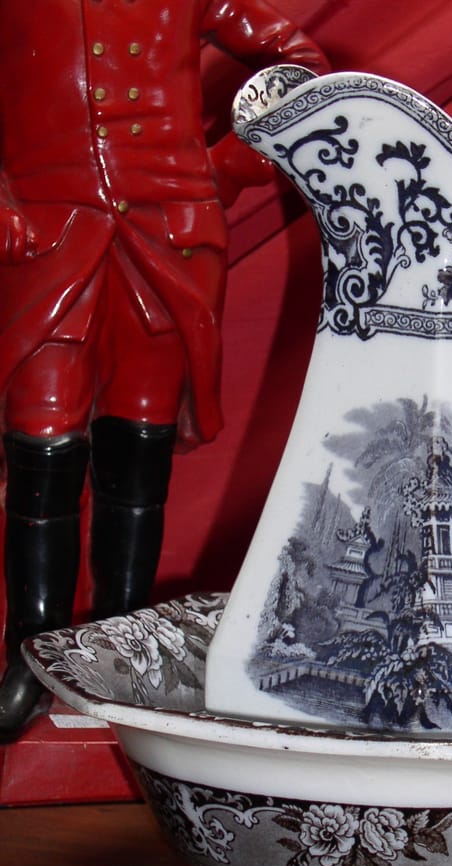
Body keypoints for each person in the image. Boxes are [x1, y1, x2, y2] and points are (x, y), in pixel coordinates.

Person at [0, 1, 328, 740]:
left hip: (169, 233)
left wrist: (226, 166)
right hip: (48, 238)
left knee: (137, 441)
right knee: (42, 442)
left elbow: (300, 68)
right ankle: (34, 653)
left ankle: (122, 643)